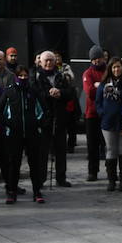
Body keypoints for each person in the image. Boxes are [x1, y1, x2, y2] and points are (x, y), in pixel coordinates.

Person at [0, 65, 46, 204]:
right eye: (21, 76)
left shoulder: (33, 91)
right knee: (14, 164)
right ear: (16, 77)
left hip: (32, 134)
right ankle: (11, 192)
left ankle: (37, 191)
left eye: (25, 76)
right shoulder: (9, 92)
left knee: (34, 164)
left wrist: (38, 123)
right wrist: (8, 123)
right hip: (14, 134)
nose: (23, 78)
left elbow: (43, 110)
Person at [32, 50, 76, 188]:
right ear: (41, 62)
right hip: (44, 118)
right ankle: (41, 179)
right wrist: (49, 94)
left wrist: (60, 93)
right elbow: (35, 93)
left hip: (60, 118)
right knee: (43, 151)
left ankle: (61, 178)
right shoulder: (36, 76)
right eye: (46, 60)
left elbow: (71, 93)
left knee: (61, 150)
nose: (49, 63)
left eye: (51, 60)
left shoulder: (61, 76)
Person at [95, 57, 122, 192]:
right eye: (114, 67)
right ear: (110, 69)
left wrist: (117, 91)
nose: (116, 69)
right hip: (108, 122)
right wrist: (102, 113)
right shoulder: (104, 83)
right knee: (111, 150)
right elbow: (97, 101)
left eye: (119, 67)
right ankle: (111, 180)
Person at [82, 45, 107, 182]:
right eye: (94, 59)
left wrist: (98, 86)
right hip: (91, 114)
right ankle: (93, 171)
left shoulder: (108, 71)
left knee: (107, 145)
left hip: (107, 114)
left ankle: (111, 171)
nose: (96, 61)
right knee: (92, 145)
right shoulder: (87, 73)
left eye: (98, 58)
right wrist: (102, 88)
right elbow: (90, 92)